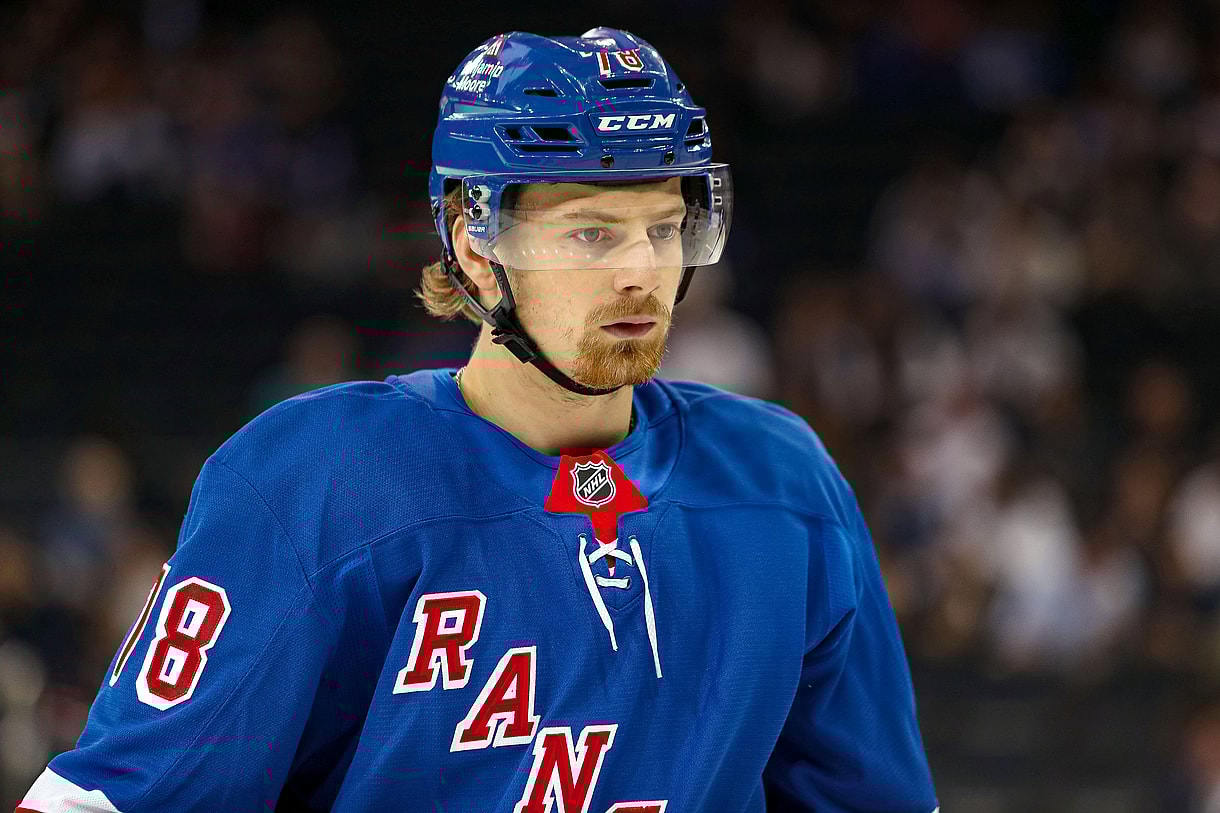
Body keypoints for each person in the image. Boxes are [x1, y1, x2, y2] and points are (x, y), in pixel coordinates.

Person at [18, 28, 938, 813]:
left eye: (663, 228)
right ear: (474, 244)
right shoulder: (319, 477)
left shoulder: (783, 481)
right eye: (591, 232)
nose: (640, 272)